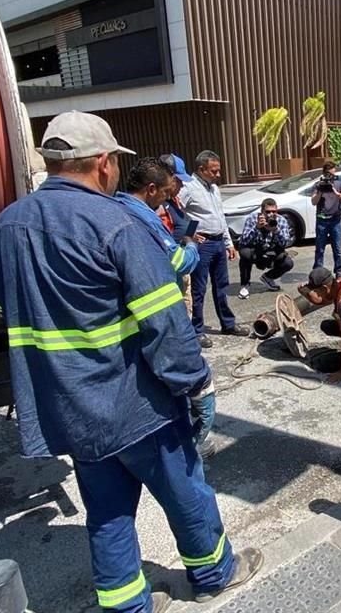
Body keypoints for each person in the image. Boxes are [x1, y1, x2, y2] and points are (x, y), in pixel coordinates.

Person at [0, 111, 262, 612]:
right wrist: (195, 383)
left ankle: (127, 606)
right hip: (135, 403)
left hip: (72, 408)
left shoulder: (8, 224)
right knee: (185, 490)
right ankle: (214, 573)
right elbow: (164, 323)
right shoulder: (116, 223)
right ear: (103, 162)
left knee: (106, 512)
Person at [115, 158, 221, 459]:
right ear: (151, 189)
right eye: (164, 192)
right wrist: (189, 246)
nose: (166, 198)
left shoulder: (117, 210)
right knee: (202, 394)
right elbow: (178, 262)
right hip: (161, 321)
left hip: (139, 327)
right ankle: (193, 448)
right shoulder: (142, 220)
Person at [179, 150, 250, 348]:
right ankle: (197, 330)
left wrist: (228, 243)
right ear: (201, 169)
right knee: (199, 289)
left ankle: (228, 324)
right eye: (214, 171)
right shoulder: (188, 188)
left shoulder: (214, 188)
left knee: (222, 286)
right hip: (202, 245)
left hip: (218, 242)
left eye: (219, 170)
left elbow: (220, 216)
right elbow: (176, 212)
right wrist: (189, 234)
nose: (218, 175)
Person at [157, 153, 197, 314]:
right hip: (172, 271)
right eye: (179, 181)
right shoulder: (158, 207)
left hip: (183, 268)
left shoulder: (174, 201)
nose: (181, 186)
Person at [237, 197, 294, 299]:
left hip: (271, 251)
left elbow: (286, 243)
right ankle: (245, 284)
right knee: (244, 254)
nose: (271, 214)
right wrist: (257, 227)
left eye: (274, 211)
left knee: (288, 263)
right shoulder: (252, 219)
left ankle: (268, 277)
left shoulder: (281, 221)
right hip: (255, 250)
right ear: (262, 211)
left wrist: (276, 230)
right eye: (268, 212)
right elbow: (243, 241)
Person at [311, 161, 341, 278]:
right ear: (324, 174)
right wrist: (320, 192)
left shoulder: (339, 184)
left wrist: (336, 193)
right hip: (322, 220)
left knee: (337, 248)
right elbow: (313, 202)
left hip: (335, 221)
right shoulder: (318, 185)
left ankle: (339, 271)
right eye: (328, 174)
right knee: (320, 248)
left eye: (332, 174)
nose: (330, 177)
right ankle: (317, 271)